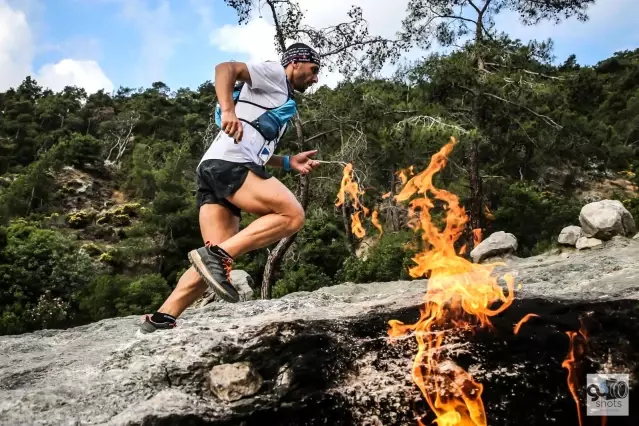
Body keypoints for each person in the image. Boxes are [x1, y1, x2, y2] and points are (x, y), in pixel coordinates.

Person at [138, 43, 322, 333]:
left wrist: (288, 162)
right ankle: (217, 256)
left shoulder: (275, 98)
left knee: (213, 267)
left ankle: (161, 318)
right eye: (313, 70)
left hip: (213, 167)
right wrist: (227, 111)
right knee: (292, 215)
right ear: (295, 63)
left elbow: (255, 146)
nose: (315, 79)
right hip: (230, 164)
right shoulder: (275, 73)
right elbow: (226, 68)